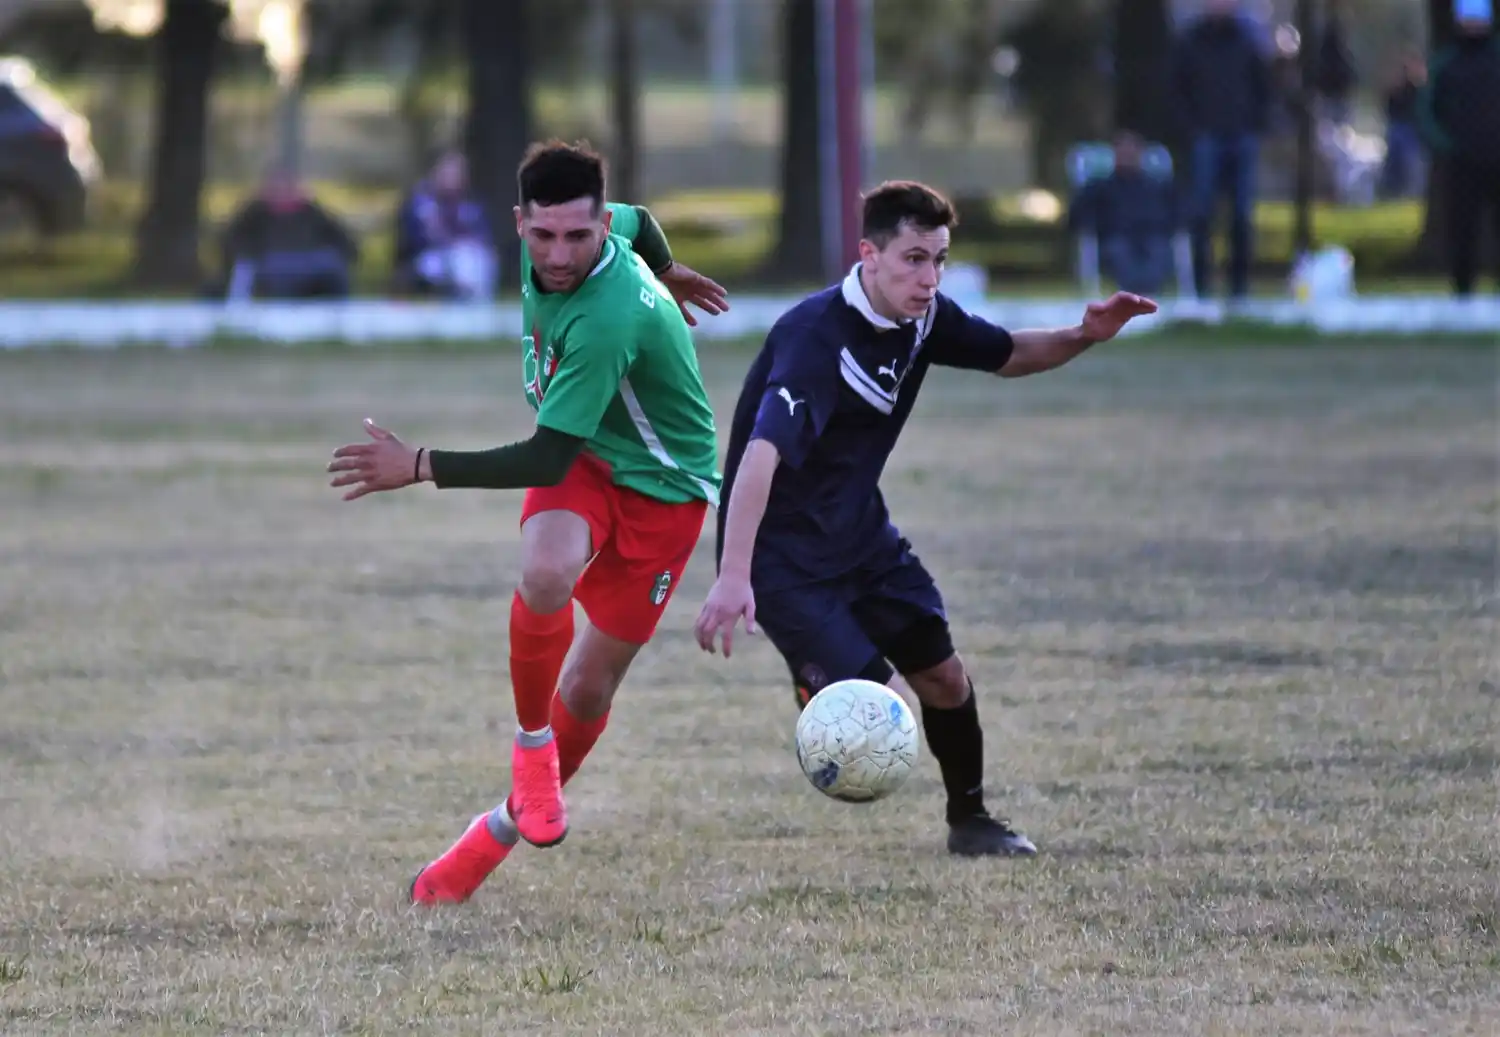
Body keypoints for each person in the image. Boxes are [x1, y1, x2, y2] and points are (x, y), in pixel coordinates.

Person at [693, 180, 1156, 859]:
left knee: (944, 676)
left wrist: (1085, 334)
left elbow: (1010, 354)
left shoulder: (924, 318)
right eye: (913, 258)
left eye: (938, 259)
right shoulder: (815, 337)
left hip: (862, 538)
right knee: (882, 712)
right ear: (869, 255)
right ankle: (816, 682)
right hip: (783, 562)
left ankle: (970, 820)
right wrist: (735, 576)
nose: (928, 277)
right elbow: (760, 455)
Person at [326, 140, 729, 904]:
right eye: (543, 235)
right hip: (585, 454)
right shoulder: (554, 245)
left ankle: (491, 838)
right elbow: (641, 223)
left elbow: (544, 457)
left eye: (579, 237)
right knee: (544, 571)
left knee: (586, 687)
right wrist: (669, 267)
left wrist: (418, 464)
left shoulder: (610, 314)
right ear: (519, 222)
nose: (559, 254)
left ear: (597, 227)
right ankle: (531, 750)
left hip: (664, 487)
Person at [1169, 0, 1272, 301]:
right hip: (1205, 138)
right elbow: (1176, 89)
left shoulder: (1248, 40)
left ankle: (1239, 289)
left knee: (1241, 215)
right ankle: (1201, 287)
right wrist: (1191, 128)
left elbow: (1262, 86)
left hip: (1242, 135)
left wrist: (1255, 123)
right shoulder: (1189, 41)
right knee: (1201, 213)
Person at [1417, 1, 1500, 297]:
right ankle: (1463, 290)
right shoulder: (1445, 63)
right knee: (1463, 228)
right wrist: (1447, 144)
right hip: (1461, 161)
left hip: (1496, 158)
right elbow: (1427, 111)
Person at [1068, 130, 1182, 296]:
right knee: (1119, 252)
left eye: (1132, 149)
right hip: (1115, 237)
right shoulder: (1099, 188)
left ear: (1140, 153)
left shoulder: (1157, 187)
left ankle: (1146, 295)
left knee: (1159, 251)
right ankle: (1135, 296)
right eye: (1122, 149)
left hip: (1153, 236)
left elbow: (1177, 212)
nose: (1127, 154)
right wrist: (1092, 226)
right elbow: (1078, 214)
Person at [392, 150, 498, 300]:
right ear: (435, 172)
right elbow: (411, 243)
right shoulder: (420, 203)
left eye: (458, 171)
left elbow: (484, 239)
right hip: (427, 261)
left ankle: (477, 313)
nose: (453, 176)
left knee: (474, 260)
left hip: (467, 261)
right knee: (457, 263)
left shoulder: (471, 203)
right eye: (448, 170)